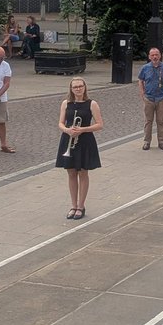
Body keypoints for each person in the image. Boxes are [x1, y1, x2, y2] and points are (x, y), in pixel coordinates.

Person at [55, 78, 103, 220]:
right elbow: (60, 123)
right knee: (71, 173)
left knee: (82, 172)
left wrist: (82, 129)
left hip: (85, 140)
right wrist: (67, 130)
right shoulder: (66, 103)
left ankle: (81, 206)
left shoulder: (92, 104)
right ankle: (73, 205)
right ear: (71, 89)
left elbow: (99, 125)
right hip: (68, 139)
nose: (78, 89)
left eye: (80, 86)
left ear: (85, 87)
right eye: (75, 87)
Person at [137, 47, 163, 150]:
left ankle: (161, 141)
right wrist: (143, 94)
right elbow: (140, 81)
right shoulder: (145, 68)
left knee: (160, 121)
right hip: (149, 98)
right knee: (148, 121)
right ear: (149, 57)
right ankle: (147, 142)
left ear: (160, 56)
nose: (155, 57)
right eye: (152, 55)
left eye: (156, 55)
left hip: (161, 98)